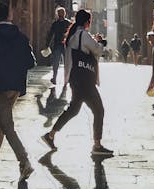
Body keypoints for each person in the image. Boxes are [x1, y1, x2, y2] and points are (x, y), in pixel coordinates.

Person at [41, 9, 113, 156]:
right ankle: (97, 145)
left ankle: (50, 135)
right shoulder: (83, 35)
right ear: (87, 22)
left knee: (73, 110)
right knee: (99, 110)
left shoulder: (73, 35)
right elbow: (98, 51)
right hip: (85, 80)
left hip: (76, 78)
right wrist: (99, 41)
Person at [0, 2, 36, 180]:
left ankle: (24, 161)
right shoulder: (21, 37)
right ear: (9, 15)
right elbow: (31, 62)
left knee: (7, 124)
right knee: (2, 121)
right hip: (15, 86)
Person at [44, 6, 70, 86]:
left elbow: (51, 35)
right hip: (64, 45)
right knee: (65, 63)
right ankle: (65, 79)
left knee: (56, 63)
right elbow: (51, 34)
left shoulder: (55, 24)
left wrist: (47, 45)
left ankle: (55, 78)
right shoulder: (68, 23)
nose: (60, 14)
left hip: (59, 45)